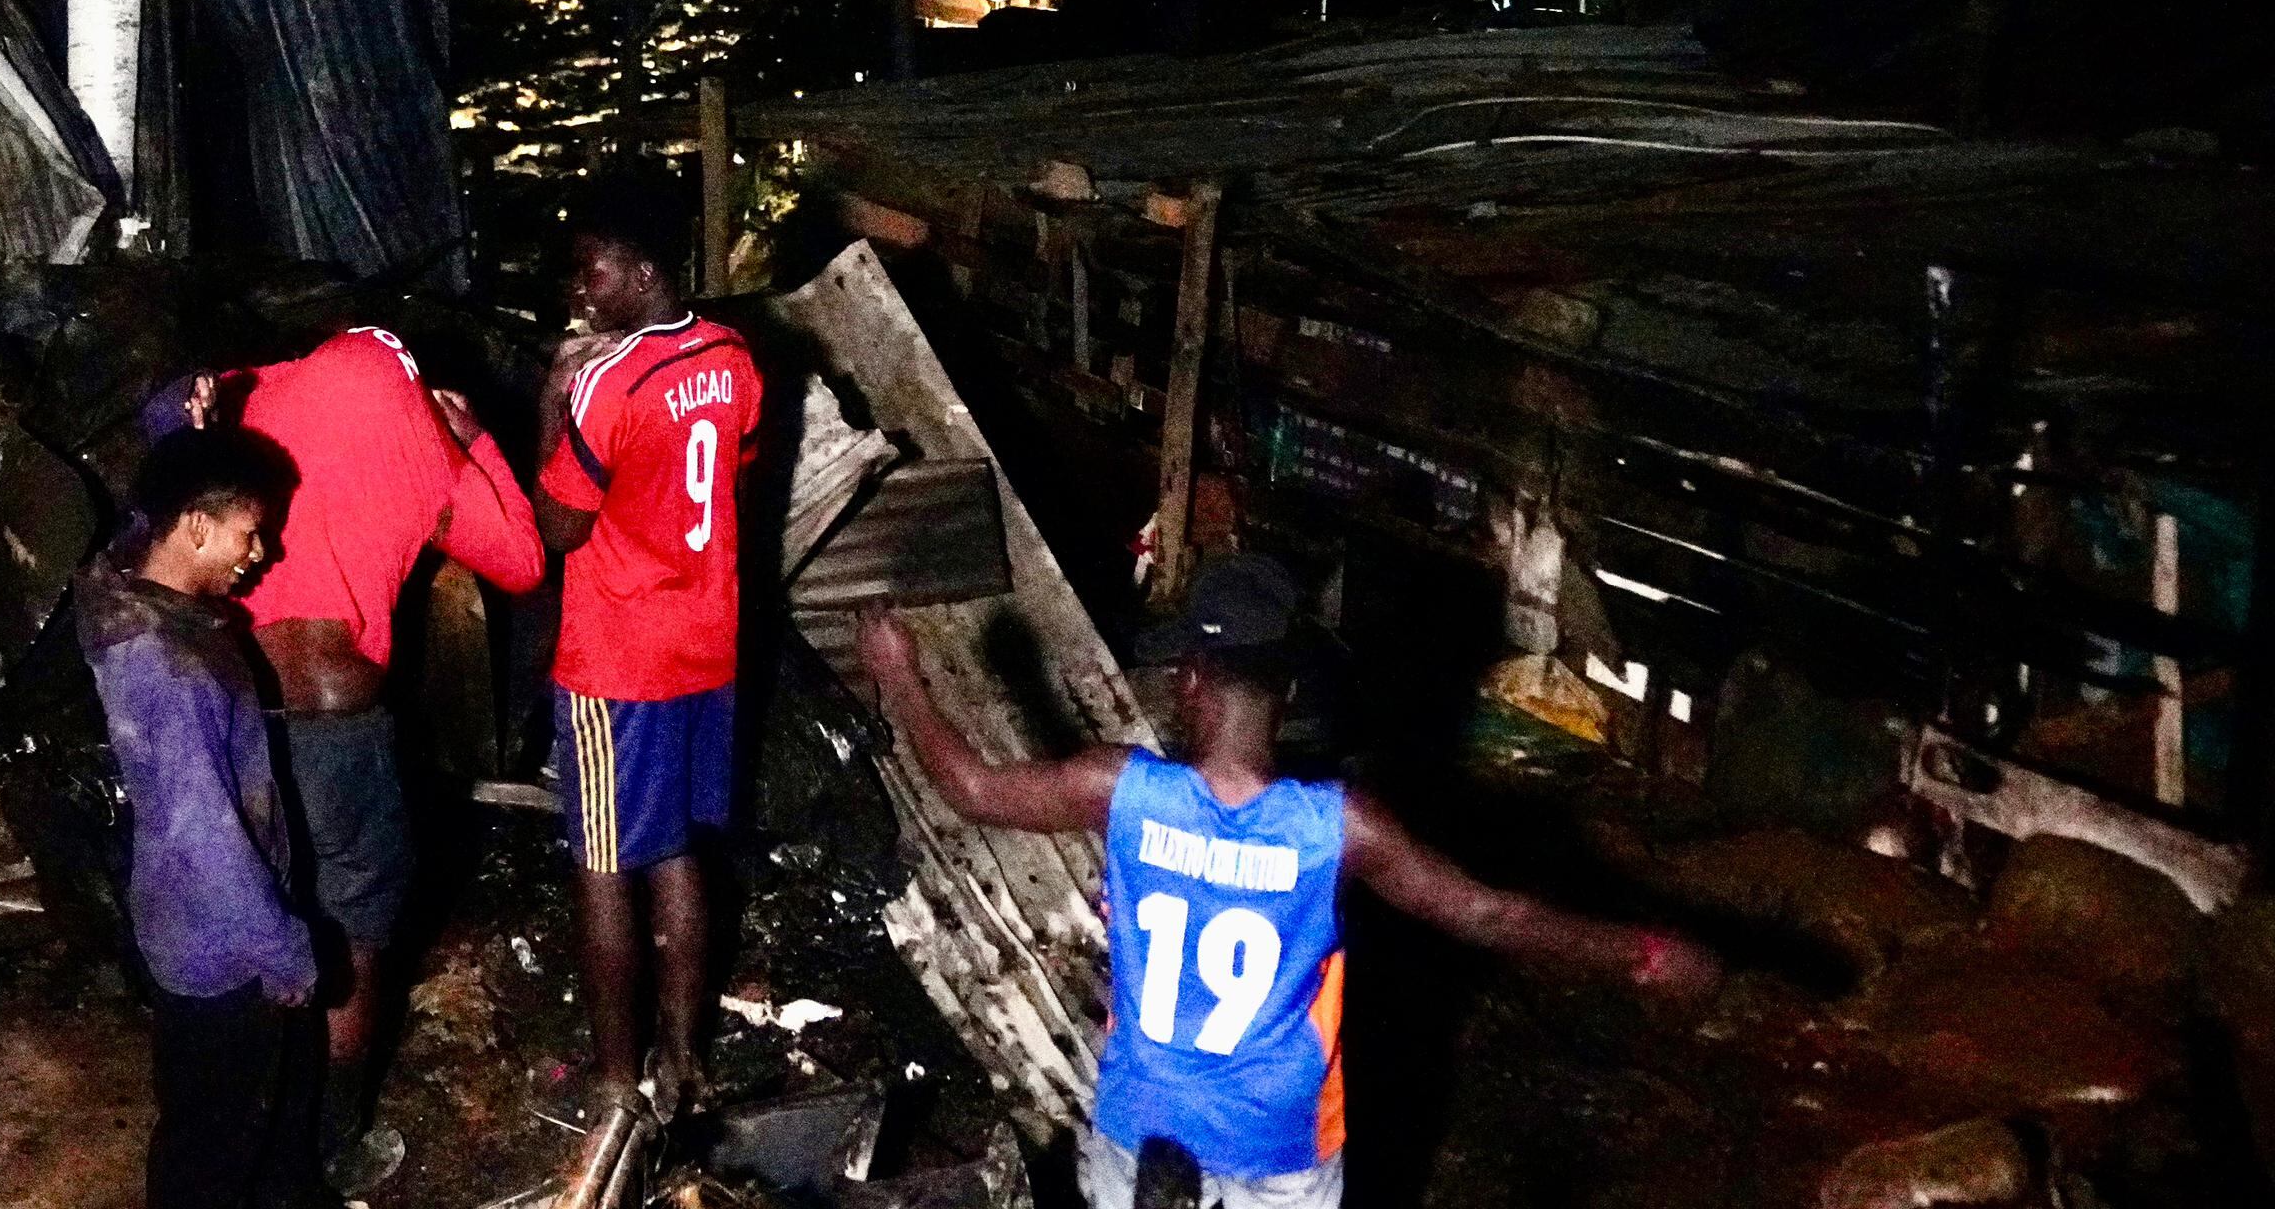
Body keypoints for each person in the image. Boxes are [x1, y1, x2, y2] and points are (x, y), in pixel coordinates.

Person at [852, 554, 1723, 1209]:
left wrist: (899, 675)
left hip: (1139, 1129)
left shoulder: (1118, 788)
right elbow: (1489, 913)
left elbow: (968, 787)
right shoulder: (1339, 826)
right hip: (1278, 1147)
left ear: (1190, 680)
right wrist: (1643, 950)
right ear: (1292, 688)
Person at [166, 325, 545, 1192]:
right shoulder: (428, 441)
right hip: (338, 728)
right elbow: (524, 564)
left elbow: (193, 391)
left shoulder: (259, 391)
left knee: (253, 912)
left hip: (232, 713)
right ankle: (333, 1138)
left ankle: (241, 1127)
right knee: (355, 931)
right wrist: (474, 439)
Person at [535, 168, 765, 1122]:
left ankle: (612, 1078)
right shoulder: (736, 356)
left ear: (638, 270)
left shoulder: (607, 381)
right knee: (674, 853)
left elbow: (555, 531)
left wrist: (552, 395)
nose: (580, 290)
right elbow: (737, 479)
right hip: (706, 648)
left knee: (605, 864)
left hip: (615, 663)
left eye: (591, 271)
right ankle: (683, 1062)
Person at [80, 423, 325, 1209]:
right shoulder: (171, 670)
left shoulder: (117, 583)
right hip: (220, 946)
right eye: (249, 535)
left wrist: (171, 425)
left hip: (180, 921)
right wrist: (282, 950)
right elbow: (206, 836)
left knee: (218, 1121)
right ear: (193, 526)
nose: (260, 554)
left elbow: (139, 511)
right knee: (215, 1142)